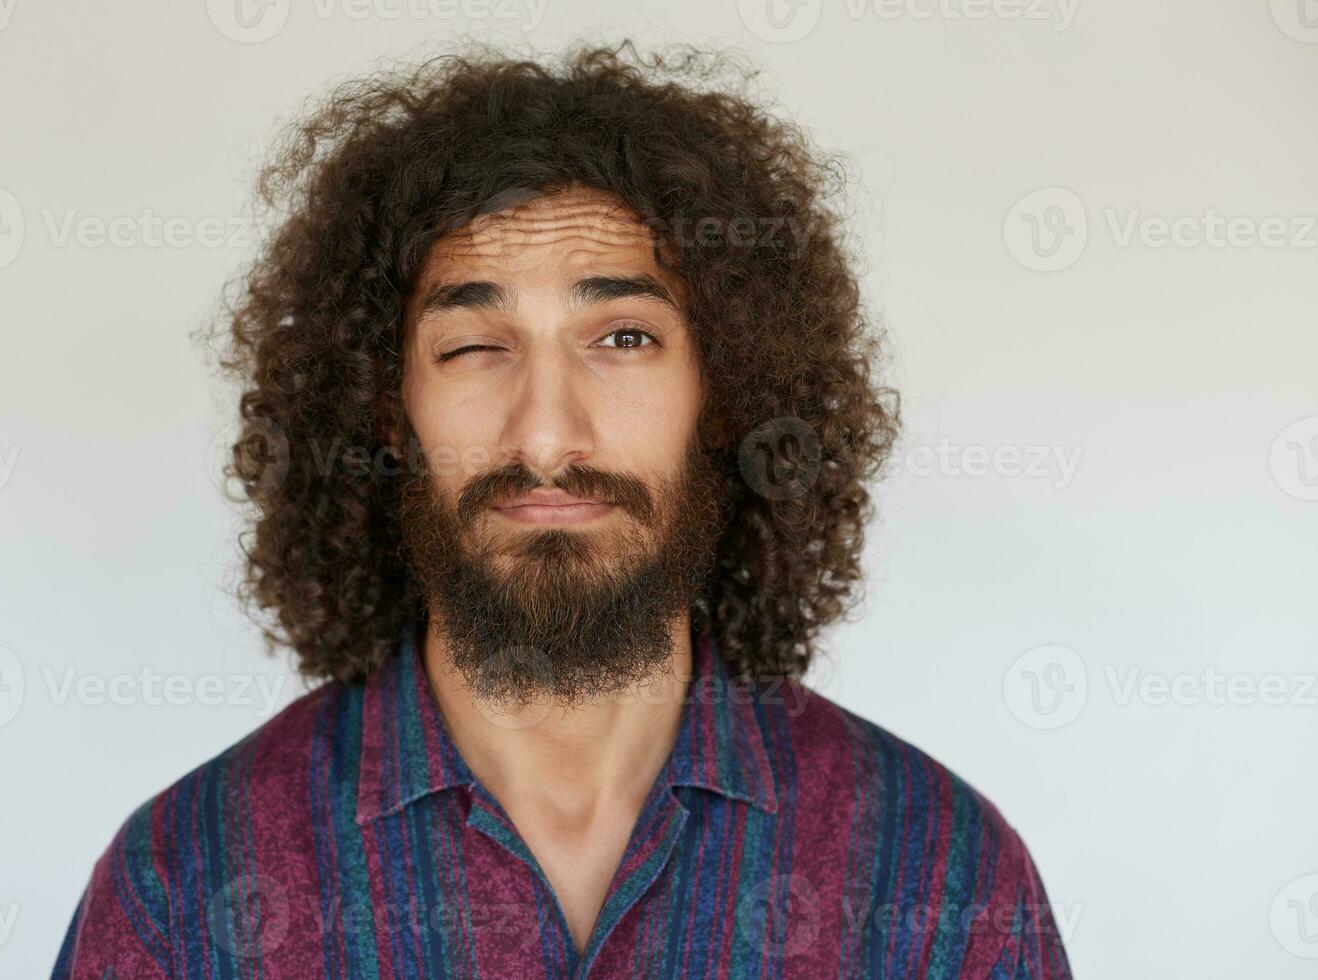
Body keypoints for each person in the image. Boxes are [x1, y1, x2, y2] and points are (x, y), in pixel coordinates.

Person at [53, 41, 1072, 978]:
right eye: (472, 346)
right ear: (383, 404)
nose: (546, 437)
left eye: (622, 337)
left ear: (728, 392)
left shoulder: (939, 880)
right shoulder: (186, 889)